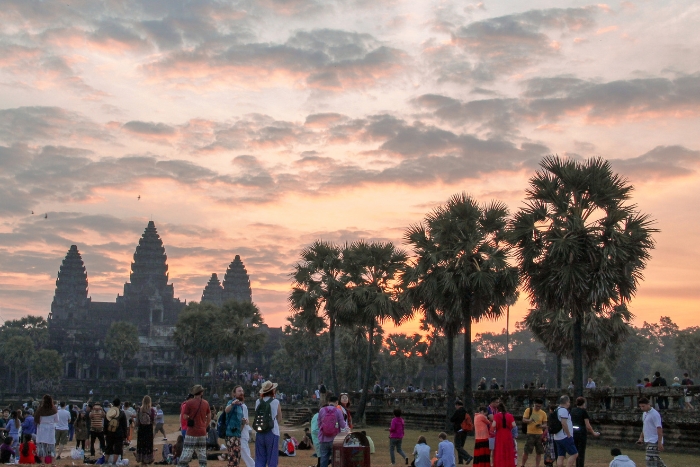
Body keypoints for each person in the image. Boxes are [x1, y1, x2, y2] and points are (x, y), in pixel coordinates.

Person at [179, 384, 212, 467]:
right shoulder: (206, 403)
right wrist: (205, 426)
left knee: (186, 452)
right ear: (201, 393)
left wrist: (190, 418)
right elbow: (209, 417)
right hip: (202, 432)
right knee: (202, 454)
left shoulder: (189, 403)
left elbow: (184, 416)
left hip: (191, 432)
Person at [254, 380, 283, 467]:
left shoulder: (258, 402)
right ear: (272, 391)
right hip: (272, 432)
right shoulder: (276, 402)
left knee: (259, 458)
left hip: (259, 432)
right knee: (272, 459)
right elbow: (280, 418)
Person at [570, 397, 600, 467]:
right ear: (583, 403)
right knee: (581, 452)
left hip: (573, 432)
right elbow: (588, 426)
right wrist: (594, 433)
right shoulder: (583, 412)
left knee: (575, 451)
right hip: (581, 433)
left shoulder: (572, 411)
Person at [636, 397, 665, 467]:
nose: (642, 408)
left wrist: (659, 442)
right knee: (655, 459)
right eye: (640, 407)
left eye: (643, 406)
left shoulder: (655, 414)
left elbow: (659, 429)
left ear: (648, 404)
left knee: (650, 459)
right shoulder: (644, 414)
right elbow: (645, 427)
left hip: (654, 440)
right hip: (648, 439)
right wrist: (641, 438)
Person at [318, 396, 346, 467]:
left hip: (323, 439)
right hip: (335, 439)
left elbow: (319, 423)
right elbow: (342, 425)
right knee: (335, 459)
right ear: (336, 402)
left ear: (328, 402)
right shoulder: (338, 411)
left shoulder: (322, 410)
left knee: (323, 459)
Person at [552, 396, 577, 467]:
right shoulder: (563, 410)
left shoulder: (557, 410)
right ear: (566, 402)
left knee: (561, 456)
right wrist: (569, 435)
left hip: (557, 436)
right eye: (569, 402)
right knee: (574, 454)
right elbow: (564, 423)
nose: (569, 404)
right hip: (564, 436)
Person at [521, 398, 547, 467]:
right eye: (536, 406)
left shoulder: (543, 413)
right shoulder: (528, 410)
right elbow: (524, 419)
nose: (538, 408)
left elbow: (545, 424)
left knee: (539, 452)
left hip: (539, 434)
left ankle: (537, 465)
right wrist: (529, 420)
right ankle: (523, 465)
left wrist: (541, 426)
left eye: (539, 406)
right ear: (534, 404)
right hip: (530, 433)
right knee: (526, 451)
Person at [224, 386, 245, 467]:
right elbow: (226, 410)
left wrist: (243, 422)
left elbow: (240, 425)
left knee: (237, 458)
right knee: (233, 458)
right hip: (230, 435)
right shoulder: (231, 402)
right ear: (234, 393)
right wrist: (232, 404)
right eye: (239, 391)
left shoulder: (241, 406)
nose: (241, 393)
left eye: (242, 391)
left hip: (237, 435)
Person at [35, 394, 59, 464]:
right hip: (50, 427)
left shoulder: (40, 409)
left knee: (42, 445)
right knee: (51, 445)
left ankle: (42, 463)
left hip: (42, 428)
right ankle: (53, 462)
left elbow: (36, 419)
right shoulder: (54, 409)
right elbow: (57, 420)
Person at [104, 398, 128, 466]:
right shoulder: (122, 413)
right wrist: (125, 435)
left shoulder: (109, 412)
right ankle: (114, 463)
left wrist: (105, 432)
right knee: (117, 448)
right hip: (119, 433)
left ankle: (106, 462)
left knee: (108, 447)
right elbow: (124, 425)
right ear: (119, 404)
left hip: (109, 432)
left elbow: (105, 423)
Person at [449, 400, 474, 465]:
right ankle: (460, 461)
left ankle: (468, 457)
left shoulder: (458, 411)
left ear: (457, 405)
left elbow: (452, 419)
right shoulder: (465, 412)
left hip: (459, 430)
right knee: (461, 446)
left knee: (457, 446)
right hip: (465, 431)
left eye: (455, 406)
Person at [491, 402, 515, 467]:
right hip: (508, 434)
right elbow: (514, 425)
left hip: (500, 434)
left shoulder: (496, 416)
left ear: (497, 409)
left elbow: (493, 425)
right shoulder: (510, 415)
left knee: (499, 450)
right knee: (508, 450)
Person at [136, 395, 157, 466]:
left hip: (141, 430)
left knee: (141, 445)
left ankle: (142, 460)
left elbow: (137, 421)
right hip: (148, 430)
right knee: (148, 445)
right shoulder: (151, 410)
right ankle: (147, 459)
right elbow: (154, 421)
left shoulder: (139, 410)